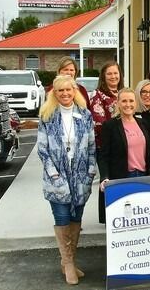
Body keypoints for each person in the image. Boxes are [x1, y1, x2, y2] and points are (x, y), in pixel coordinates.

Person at [37, 75, 96, 285]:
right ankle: (69, 264)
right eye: (60, 90)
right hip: (57, 177)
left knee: (76, 218)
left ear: (74, 91)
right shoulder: (47, 115)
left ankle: (68, 260)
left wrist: (90, 172)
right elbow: (42, 149)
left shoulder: (85, 114)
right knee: (62, 217)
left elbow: (91, 147)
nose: (65, 94)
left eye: (68, 90)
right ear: (54, 93)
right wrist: (54, 174)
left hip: (80, 177)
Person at [97, 88, 150, 224]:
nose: (128, 104)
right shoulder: (110, 125)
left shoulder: (143, 123)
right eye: (124, 101)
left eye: (131, 101)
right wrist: (104, 177)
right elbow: (103, 156)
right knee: (123, 221)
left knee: (141, 220)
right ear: (118, 103)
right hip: (121, 178)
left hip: (143, 178)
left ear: (136, 103)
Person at [89, 61, 122, 155]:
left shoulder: (123, 93)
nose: (113, 76)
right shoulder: (97, 95)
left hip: (123, 144)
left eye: (115, 73)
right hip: (107, 146)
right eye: (109, 74)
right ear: (103, 76)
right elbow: (99, 124)